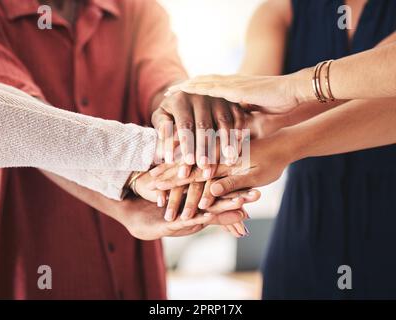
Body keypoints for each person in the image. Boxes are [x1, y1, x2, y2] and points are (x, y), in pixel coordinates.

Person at [0, 0, 254, 299]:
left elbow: (163, 82)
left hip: (137, 268)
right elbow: (29, 127)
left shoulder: (138, 10)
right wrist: (128, 201)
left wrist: (182, 110)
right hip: (38, 261)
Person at [154, 0, 396, 299]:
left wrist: (284, 132)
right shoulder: (280, 10)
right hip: (303, 236)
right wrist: (210, 140)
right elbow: (253, 108)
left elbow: (385, 85)